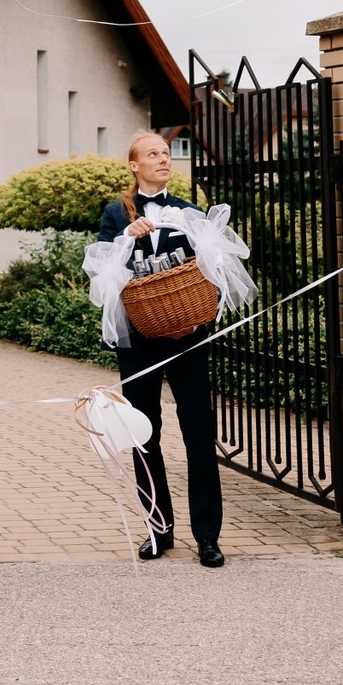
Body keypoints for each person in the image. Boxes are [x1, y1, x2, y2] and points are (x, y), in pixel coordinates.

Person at [93, 132, 236, 567]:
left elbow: (216, 268)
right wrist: (126, 241)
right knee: (143, 434)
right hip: (138, 340)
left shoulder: (190, 212)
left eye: (165, 153)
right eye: (152, 154)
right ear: (134, 165)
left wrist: (193, 315)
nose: (162, 159)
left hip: (186, 337)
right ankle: (158, 530)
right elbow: (100, 276)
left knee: (197, 432)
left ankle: (208, 537)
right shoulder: (116, 213)